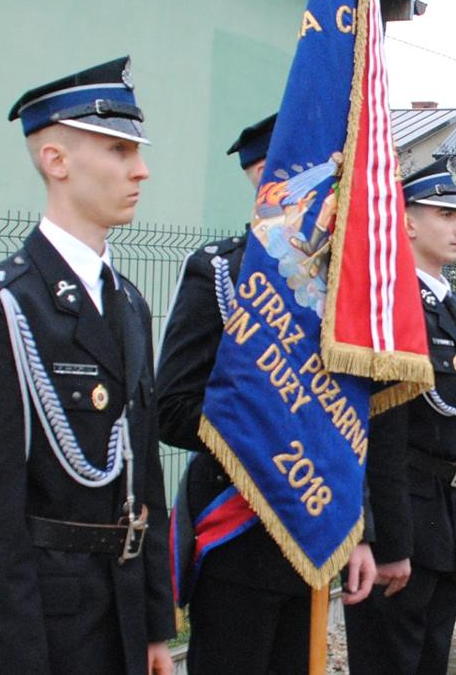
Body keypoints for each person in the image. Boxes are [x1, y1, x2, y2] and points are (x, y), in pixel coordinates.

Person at [0, 57, 176, 675]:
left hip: (117, 617)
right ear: (56, 161)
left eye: (137, 151)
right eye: (120, 150)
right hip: (41, 628)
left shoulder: (127, 304)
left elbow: (143, 480)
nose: (141, 169)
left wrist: (154, 627)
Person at [156, 114, 377, 674]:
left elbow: (355, 418)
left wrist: (360, 531)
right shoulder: (218, 272)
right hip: (236, 531)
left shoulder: (339, 285)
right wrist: (272, 438)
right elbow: (172, 408)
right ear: (265, 177)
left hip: (316, 530)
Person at [344, 159, 456, 675]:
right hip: (406, 526)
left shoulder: (450, 308)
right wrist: (385, 541)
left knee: (431, 661)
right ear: (406, 221)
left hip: (447, 522)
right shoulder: (388, 306)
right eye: (446, 214)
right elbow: (377, 429)